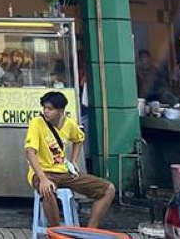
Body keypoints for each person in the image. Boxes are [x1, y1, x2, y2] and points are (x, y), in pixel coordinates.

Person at [25, 91, 115, 229]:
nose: (46, 111)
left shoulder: (69, 124)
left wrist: (73, 160)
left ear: (60, 111)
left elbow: (79, 139)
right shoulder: (37, 123)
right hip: (43, 172)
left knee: (108, 189)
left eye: (50, 109)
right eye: (44, 108)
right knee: (48, 190)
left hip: (64, 172)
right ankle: (57, 232)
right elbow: (30, 152)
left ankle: (90, 230)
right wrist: (43, 178)